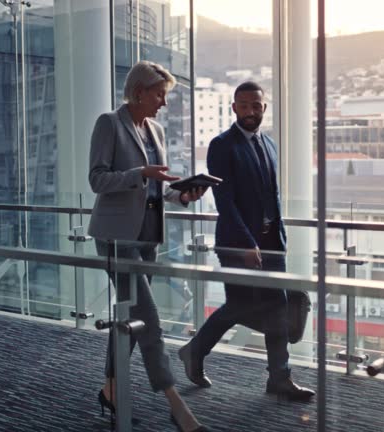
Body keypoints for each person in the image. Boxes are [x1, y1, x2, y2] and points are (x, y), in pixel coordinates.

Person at [88, 61, 208, 432]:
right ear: (139, 91)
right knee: (150, 321)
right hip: (116, 239)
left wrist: (182, 194)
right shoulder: (110, 123)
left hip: (146, 239)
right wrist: (139, 175)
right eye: (160, 94)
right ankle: (177, 407)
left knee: (131, 319)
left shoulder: (154, 129)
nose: (164, 103)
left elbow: (158, 188)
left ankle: (110, 387)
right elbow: (97, 179)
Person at [178, 81, 315, 401]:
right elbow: (225, 201)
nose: (251, 111)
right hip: (238, 244)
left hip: (271, 243)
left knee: (277, 306)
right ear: (234, 108)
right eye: (244, 105)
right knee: (240, 305)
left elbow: (273, 196)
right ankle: (194, 350)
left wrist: (277, 238)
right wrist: (246, 243)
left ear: (264, 107)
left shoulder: (269, 144)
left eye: (257, 105)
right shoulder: (221, 145)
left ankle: (279, 378)